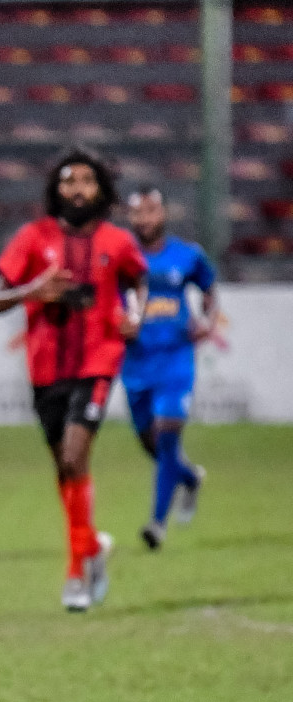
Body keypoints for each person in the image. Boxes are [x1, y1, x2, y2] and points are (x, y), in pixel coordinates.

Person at [0, 147, 148, 612]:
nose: (77, 189)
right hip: (46, 369)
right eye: (67, 181)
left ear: (100, 189)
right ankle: (93, 546)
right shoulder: (33, 237)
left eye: (86, 180)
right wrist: (34, 291)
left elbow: (139, 280)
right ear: (55, 190)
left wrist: (134, 314)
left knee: (77, 456)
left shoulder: (116, 241)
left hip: (97, 361)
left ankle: (76, 571)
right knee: (65, 466)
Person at [123, 185, 215, 549]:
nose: (145, 219)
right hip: (136, 363)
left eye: (151, 211)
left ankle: (156, 524)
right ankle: (189, 478)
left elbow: (208, 289)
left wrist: (206, 320)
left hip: (176, 360)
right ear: (130, 218)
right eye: (138, 213)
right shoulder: (121, 258)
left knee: (166, 435)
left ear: (163, 213)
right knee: (152, 444)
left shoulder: (187, 256)